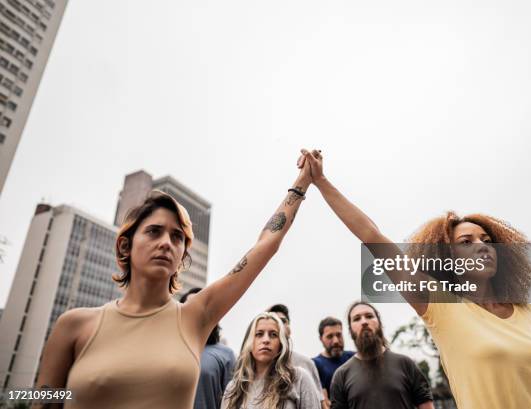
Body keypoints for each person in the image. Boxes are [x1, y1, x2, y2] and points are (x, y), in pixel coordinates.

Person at [298, 149, 531, 409]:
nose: (482, 246)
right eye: (467, 241)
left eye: (488, 241)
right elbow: (372, 236)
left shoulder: (528, 311)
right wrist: (321, 181)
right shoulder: (442, 306)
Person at [35, 159, 313, 409]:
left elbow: (266, 244)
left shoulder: (196, 317)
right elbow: (41, 398)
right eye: (154, 231)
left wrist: (301, 184)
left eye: (177, 237)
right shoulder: (74, 326)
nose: (166, 243)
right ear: (125, 245)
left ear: (182, 254)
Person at [329, 302, 433, 409]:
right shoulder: (341, 376)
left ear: (379, 323)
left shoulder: (406, 364)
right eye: (357, 319)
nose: (364, 322)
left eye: (369, 316)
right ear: (350, 330)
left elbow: (426, 405)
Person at [221, 312, 320, 409]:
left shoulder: (298, 378)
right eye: (259, 334)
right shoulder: (234, 387)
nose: (266, 340)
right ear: (250, 343)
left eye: (273, 335)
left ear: (281, 344)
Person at [180, 288, 236, 409]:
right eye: (189, 308)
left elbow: (232, 401)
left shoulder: (226, 354)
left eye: (199, 307)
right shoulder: (169, 350)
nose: (194, 312)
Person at [267, 303, 325, 407]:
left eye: (283, 321)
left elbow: (321, 404)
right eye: (274, 320)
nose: (280, 324)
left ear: (289, 329)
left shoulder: (307, 363)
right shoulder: (258, 366)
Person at [312, 317, 355, 408]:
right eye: (330, 336)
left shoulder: (354, 358)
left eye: (339, 335)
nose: (336, 341)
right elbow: (325, 403)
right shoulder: (315, 364)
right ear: (321, 339)